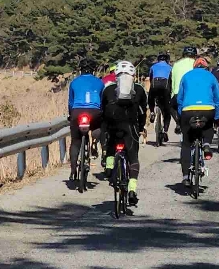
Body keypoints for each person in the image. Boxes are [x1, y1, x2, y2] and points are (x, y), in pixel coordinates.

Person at [99, 60, 149, 206]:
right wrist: (140, 128)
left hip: (113, 126)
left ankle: (109, 167)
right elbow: (142, 112)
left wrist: (105, 128)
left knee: (111, 143)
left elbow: (103, 110)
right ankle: (132, 189)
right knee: (133, 158)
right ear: (133, 75)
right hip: (130, 127)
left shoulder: (108, 89)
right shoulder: (139, 89)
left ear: (116, 74)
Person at [175, 59, 219, 187]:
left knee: (186, 144)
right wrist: (216, 118)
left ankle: (186, 177)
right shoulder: (211, 76)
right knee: (208, 127)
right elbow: (218, 99)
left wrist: (181, 117)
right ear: (206, 67)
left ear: (194, 67)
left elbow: (179, 99)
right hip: (207, 109)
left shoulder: (186, 76)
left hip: (188, 110)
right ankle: (207, 144)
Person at [65, 66, 105, 176]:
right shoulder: (100, 82)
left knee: (75, 141)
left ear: (80, 71)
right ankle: (94, 141)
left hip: (77, 111)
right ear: (93, 71)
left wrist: (71, 114)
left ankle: (73, 169)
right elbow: (102, 101)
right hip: (94, 111)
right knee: (98, 126)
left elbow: (70, 102)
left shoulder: (74, 82)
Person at [146, 53, 173, 143]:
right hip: (165, 88)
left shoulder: (153, 67)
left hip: (155, 85)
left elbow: (150, 78)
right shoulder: (170, 68)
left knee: (150, 98)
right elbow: (171, 80)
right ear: (166, 60)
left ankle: (152, 112)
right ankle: (165, 131)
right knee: (167, 111)